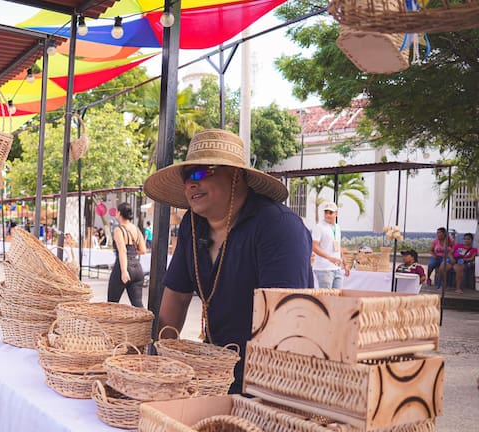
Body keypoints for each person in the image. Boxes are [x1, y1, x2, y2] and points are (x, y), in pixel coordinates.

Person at [146, 129, 313, 393]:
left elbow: (287, 321)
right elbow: (176, 297)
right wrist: (160, 361)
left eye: (201, 173)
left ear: (235, 175)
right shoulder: (192, 224)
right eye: (187, 176)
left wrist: (262, 393)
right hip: (213, 373)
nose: (191, 183)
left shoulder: (278, 227)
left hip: (269, 381)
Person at [108, 203, 147, 307]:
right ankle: (146, 322)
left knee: (111, 304)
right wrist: (132, 253)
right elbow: (143, 250)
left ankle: (111, 324)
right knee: (138, 304)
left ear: (119, 213)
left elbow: (122, 250)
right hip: (137, 267)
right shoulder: (136, 229)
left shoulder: (118, 229)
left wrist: (124, 271)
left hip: (123, 266)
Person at [312, 201, 350, 288]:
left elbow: (338, 247)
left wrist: (345, 264)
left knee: (337, 297)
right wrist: (330, 258)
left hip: (337, 268)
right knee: (326, 298)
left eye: (330, 213)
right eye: (326, 212)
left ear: (336, 213)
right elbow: (314, 247)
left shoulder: (337, 227)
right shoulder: (319, 227)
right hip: (324, 269)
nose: (327, 215)